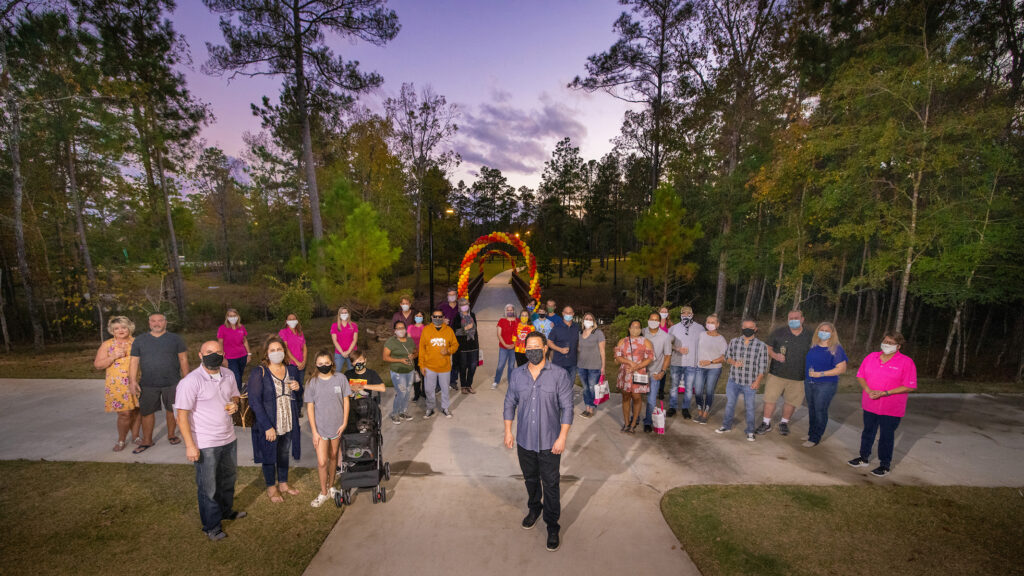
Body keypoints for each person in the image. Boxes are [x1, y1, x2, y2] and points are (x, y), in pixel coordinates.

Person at [503, 332, 573, 552]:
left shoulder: (559, 375)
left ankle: (552, 524)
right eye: (528, 347)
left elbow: (567, 408)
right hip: (525, 440)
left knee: (551, 484)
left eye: (536, 346)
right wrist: (508, 431)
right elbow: (509, 403)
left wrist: (562, 437)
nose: (532, 350)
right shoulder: (517, 374)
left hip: (550, 442)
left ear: (545, 348)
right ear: (524, 349)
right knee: (531, 479)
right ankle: (534, 508)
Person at [175, 340, 246, 541]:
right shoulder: (190, 381)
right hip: (205, 442)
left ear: (223, 354)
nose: (214, 355)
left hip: (228, 437)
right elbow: (181, 416)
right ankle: (211, 526)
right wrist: (190, 445)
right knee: (209, 487)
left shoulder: (229, 374)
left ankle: (226, 511)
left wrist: (234, 405)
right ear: (200, 355)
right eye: (209, 352)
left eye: (218, 352)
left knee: (228, 480)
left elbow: (235, 398)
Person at [848, 331, 917, 477]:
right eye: (885, 341)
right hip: (870, 403)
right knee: (868, 431)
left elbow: (910, 386)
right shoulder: (871, 357)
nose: (887, 345)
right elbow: (860, 375)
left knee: (886, 436)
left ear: (898, 346)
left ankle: (884, 465)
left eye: (891, 343)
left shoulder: (906, 362)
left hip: (891, 407)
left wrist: (885, 393)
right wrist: (868, 390)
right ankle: (863, 457)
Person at [248, 336, 302, 503]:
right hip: (270, 422)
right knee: (269, 455)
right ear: (266, 353)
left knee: (283, 452)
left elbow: (299, 395)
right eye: (272, 350)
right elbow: (254, 401)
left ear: (284, 351)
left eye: (279, 349)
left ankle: (284, 483)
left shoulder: (291, 370)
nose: (276, 353)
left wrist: (299, 388)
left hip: (287, 420)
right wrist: (266, 427)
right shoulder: (260, 372)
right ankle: (272, 487)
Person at [129, 312, 189, 454]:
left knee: (171, 410)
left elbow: (183, 360)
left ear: (165, 322)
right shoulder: (140, 340)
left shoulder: (175, 339)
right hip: (148, 383)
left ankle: (171, 435)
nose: (157, 323)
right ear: (149, 323)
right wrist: (132, 381)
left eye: (160, 321)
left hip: (172, 382)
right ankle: (147, 440)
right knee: (147, 412)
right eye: (153, 321)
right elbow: (134, 361)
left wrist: (187, 380)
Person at [305, 351, 351, 507]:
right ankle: (323, 492)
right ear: (316, 364)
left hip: (337, 427)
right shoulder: (312, 383)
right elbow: (310, 408)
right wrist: (314, 432)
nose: (323, 366)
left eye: (326, 363)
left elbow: (346, 401)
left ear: (332, 363)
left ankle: (331, 487)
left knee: (333, 458)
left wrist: (344, 423)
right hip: (321, 429)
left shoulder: (340, 379)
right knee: (322, 461)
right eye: (320, 363)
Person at [757, 309, 813, 437]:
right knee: (770, 399)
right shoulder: (779, 332)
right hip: (776, 374)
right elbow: (768, 347)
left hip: (798, 376)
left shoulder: (810, 335)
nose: (793, 320)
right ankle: (766, 423)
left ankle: (784, 423)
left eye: (796, 318)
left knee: (791, 401)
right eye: (790, 318)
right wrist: (775, 355)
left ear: (802, 319)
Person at [93, 316, 140, 451]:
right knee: (124, 414)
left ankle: (136, 436)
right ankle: (121, 440)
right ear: (112, 331)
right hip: (117, 385)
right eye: (116, 328)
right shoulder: (107, 345)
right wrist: (113, 356)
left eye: (123, 327)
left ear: (129, 328)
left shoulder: (137, 342)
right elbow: (98, 365)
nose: (120, 330)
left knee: (137, 411)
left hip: (137, 381)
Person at [716, 319, 768, 441]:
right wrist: (734, 362)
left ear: (755, 329)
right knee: (730, 404)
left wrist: (757, 381)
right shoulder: (734, 341)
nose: (747, 329)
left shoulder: (761, 346)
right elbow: (727, 357)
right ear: (742, 328)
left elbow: (763, 366)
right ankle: (726, 425)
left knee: (750, 407)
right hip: (734, 379)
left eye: (750, 327)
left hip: (750, 382)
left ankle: (750, 431)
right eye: (745, 327)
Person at [803, 322, 848, 447]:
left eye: (826, 330)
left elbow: (841, 369)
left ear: (832, 333)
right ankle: (811, 433)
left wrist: (821, 374)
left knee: (820, 410)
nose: (823, 332)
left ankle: (815, 437)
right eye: (821, 330)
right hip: (810, 382)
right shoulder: (814, 346)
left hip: (826, 384)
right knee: (811, 409)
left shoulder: (836, 348)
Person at [614, 320, 654, 433]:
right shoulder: (622, 341)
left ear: (641, 329)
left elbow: (650, 358)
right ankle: (626, 423)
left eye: (638, 327)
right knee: (626, 396)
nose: (635, 329)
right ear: (629, 328)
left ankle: (633, 423)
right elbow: (617, 357)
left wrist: (636, 367)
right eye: (633, 326)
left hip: (639, 373)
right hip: (625, 373)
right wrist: (629, 362)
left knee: (637, 397)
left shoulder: (646, 342)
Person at [418, 309, 459, 419]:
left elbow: (455, 345)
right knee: (429, 389)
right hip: (429, 366)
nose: (437, 319)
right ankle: (430, 408)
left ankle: (445, 408)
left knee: (445, 389)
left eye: (440, 316)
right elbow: (421, 348)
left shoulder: (449, 330)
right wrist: (421, 365)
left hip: (444, 367)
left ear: (443, 317)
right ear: (431, 317)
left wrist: (449, 351)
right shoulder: (426, 330)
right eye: (435, 317)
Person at [667, 306, 704, 419]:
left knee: (688, 388)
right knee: (674, 386)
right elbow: (667, 343)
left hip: (691, 363)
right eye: (683, 313)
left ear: (692, 314)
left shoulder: (700, 328)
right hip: (676, 361)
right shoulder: (674, 328)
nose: (686, 314)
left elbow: (704, 344)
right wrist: (677, 348)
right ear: (681, 314)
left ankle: (685, 408)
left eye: (688, 313)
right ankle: (672, 407)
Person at [642, 312, 674, 433]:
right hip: (640, 371)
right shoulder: (643, 331)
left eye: (656, 320)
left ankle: (648, 422)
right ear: (648, 320)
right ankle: (634, 419)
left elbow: (667, 356)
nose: (653, 321)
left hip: (655, 372)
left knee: (651, 399)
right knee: (636, 397)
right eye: (651, 319)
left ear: (660, 322)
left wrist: (662, 371)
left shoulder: (665, 337)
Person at [694, 314, 727, 424]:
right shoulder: (701, 335)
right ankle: (699, 411)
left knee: (709, 391)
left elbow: (724, 357)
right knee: (698, 391)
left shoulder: (721, 339)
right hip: (700, 367)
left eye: (713, 322)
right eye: (708, 322)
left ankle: (705, 414)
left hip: (714, 369)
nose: (710, 324)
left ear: (717, 324)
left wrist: (710, 361)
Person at [383, 321, 417, 424]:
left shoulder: (410, 341)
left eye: (402, 328)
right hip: (398, 372)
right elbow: (385, 357)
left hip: (410, 371)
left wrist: (413, 356)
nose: (401, 330)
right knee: (401, 392)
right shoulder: (391, 342)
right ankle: (394, 413)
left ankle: (403, 412)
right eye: (398, 328)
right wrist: (400, 360)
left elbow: (416, 352)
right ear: (395, 331)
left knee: (407, 392)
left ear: (405, 329)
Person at [576, 312, 606, 418]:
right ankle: (587, 407)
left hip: (594, 366)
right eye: (586, 318)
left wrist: (603, 366)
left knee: (592, 388)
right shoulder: (580, 333)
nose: (588, 320)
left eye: (590, 319)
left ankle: (592, 407)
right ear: (583, 321)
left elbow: (602, 351)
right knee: (585, 388)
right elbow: (579, 348)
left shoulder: (598, 333)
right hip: (581, 365)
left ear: (593, 321)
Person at [278, 313, 308, 411]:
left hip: (301, 364)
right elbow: (286, 348)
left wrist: (304, 361)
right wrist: (297, 362)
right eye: (289, 319)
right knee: (293, 387)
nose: (292, 320)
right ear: (286, 321)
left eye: (294, 319)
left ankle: (299, 405)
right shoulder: (283, 332)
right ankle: (296, 409)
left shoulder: (300, 332)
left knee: (300, 386)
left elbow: (304, 348)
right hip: (290, 364)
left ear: (297, 320)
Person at [217, 308, 252, 392]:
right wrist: (222, 358)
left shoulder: (241, 327)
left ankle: (235, 393)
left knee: (239, 376)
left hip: (242, 356)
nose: (232, 317)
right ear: (227, 317)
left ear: (237, 316)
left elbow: (245, 341)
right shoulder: (222, 328)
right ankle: (237, 396)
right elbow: (220, 343)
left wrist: (249, 354)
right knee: (236, 377)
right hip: (230, 358)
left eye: (234, 316)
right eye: (230, 316)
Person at [452, 297, 480, 394]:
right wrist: (466, 329)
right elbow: (455, 332)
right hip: (462, 347)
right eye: (462, 305)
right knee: (463, 367)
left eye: (466, 304)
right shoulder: (457, 317)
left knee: (473, 366)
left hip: (473, 345)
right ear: (459, 306)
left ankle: (469, 385)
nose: (464, 307)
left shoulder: (472, 315)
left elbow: (475, 330)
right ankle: (463, 385)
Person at [547, 306, 580, 388]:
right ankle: (558, 401)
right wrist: (560, 349)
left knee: (570, 386)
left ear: (573, 314)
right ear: (563, 314)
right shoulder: (556, 328)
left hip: (572, 362)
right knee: (558, 386)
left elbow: (580, 342)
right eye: (566, 312)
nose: (568, 314)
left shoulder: (577, 327)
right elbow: (549, 342)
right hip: (559, 363)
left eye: (570, 313)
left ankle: (567, 400)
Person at [494, 303, 518, 389]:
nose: (510, 311)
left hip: (514, 347)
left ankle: (510, 382)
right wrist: (505, 345)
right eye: (508, 310)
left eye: (511, 310)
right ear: (505, 311)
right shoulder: (502, 321)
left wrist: (513, 345)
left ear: (514, 311)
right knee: (501, 365)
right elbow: (499, 334)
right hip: (503, 347)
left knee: (511, 366)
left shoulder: (518, 321)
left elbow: (520, 334)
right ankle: (496, 381)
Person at [441, 288, 460, 389]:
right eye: (450, 295)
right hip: (444, 336)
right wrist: (442, 321)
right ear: (447, 296)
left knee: (456, 360)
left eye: (453, 295)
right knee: (443, 358)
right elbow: (435, 319)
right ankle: (441, 383)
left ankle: (453, 381)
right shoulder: (442, 307)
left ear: (456, 296)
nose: (452, 296)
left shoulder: (460, 307)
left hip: (457, 337)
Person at [330, 306, 359, 373]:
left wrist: (348, 351)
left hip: (352, 352)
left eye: (346, 312)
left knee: (353, 371)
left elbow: (355, 340)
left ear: (348, 314)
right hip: (339, 353)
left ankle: (351, 383)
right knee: (336, 372)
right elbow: (335, 341)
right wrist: (342, 352)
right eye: (342, 313)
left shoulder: (354, 325)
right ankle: (337, 384)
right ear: (339, 315)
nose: (344, 314)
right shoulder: (334, 326)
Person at [409, 312, 426, 402]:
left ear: (423, 317)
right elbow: (408, 340)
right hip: (414, 354)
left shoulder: (426, 328)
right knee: (416, 375)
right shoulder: (410, 327)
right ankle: (417, 393)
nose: (418, 317)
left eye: (420, 316)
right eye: (417, 316)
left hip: (424, 354)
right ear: (414, 317)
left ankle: (424, 392)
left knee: (424, 374)